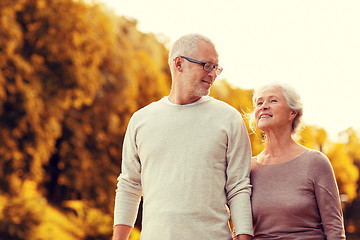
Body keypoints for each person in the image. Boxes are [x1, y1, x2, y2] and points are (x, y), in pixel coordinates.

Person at [113, 33, 253, 240]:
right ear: (179, 64)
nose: (213, 74)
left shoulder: (229, 119)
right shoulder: (141, 120)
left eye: (216, 68)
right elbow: (129, 186)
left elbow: (238, 187)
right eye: (207, 66)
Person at [248, 83, 346, 239]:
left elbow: (334, 230)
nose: (263, 107)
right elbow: (241, 227)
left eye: (272, 101)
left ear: (292, 113)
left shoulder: (315, 162)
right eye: (259, 103)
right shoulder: (248, 167)